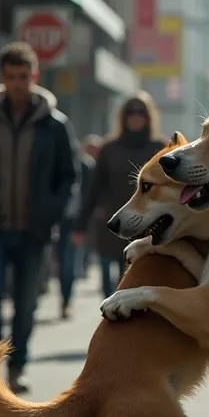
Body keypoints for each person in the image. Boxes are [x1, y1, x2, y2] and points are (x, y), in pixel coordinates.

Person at [0, 41, 77, 393]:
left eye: (23, 76)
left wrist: (49, 216)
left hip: (34, 231)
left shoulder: (54, 125)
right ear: (2, 77)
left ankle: (18, 367)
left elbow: (68, 176)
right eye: (11, 76)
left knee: (26, 306)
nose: (17, 83)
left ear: (34, 77)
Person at [74, 93, 166, 297]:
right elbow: (94, 188)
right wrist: (80, 226)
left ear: (148, 116)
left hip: (146, 224)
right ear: (123, 117)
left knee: (136, 278)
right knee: (109, 282)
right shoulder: (109, 148)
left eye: (140, 112)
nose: (135, 116)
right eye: (130, 112)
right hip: (112, 222)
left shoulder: (160, 147)